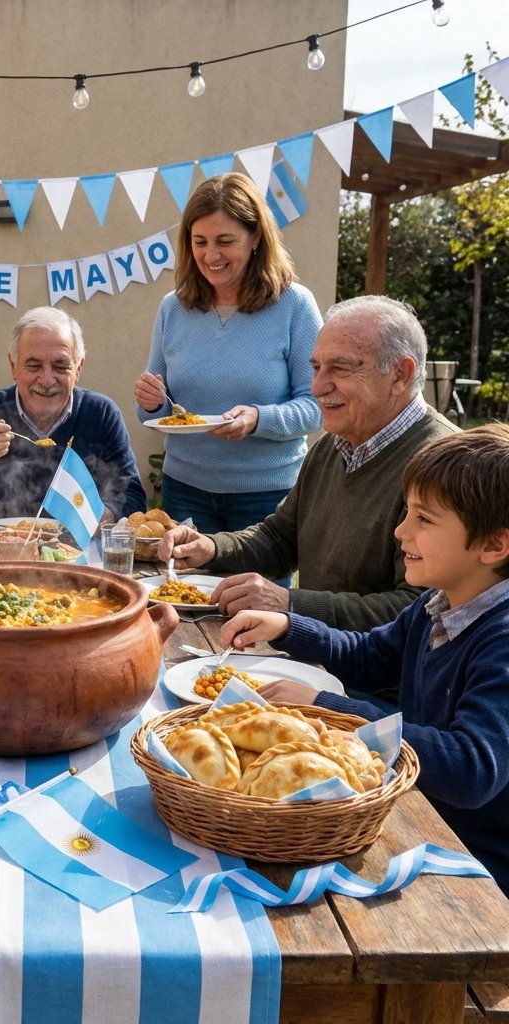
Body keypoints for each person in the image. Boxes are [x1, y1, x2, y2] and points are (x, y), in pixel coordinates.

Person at [220, 424, 509, 893]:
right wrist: (290, 628)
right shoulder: (438, 602)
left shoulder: (500, 639)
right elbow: (370, 656)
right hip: (415, 813)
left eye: (424, 519)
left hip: (470, 865)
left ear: (494, 545)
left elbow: (469, 770)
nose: (401, 531)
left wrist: (328, 710)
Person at [158, 295, 458, 630]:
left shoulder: (446, 466)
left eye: (340, 368)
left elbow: (420, 610)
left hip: (378, 681)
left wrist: (288, 603)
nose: (317, 387)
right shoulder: (335, 444)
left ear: (400, 374)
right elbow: (280, 539)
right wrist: (211, 548)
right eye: (316, 367)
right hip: (318, 658)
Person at [134, 172, 322, 532]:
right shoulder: (172, 308)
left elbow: (318, 407)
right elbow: (155, 409)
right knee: (184, 590)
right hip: (184, 489)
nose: (211, 255)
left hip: (268, 496)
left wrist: (258, 418)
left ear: (255, 238)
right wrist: (151, 402)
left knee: (255, 591)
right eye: (200, 242)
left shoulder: (295, 305)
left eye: (225, 241)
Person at [0, 306, 146, 523]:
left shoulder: (101, 414)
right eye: (33, 366)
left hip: (78, 551)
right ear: (13, 366)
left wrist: (102, 517)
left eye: (61, 366)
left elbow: (132, 497)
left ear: (78, 368)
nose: (47, 380)